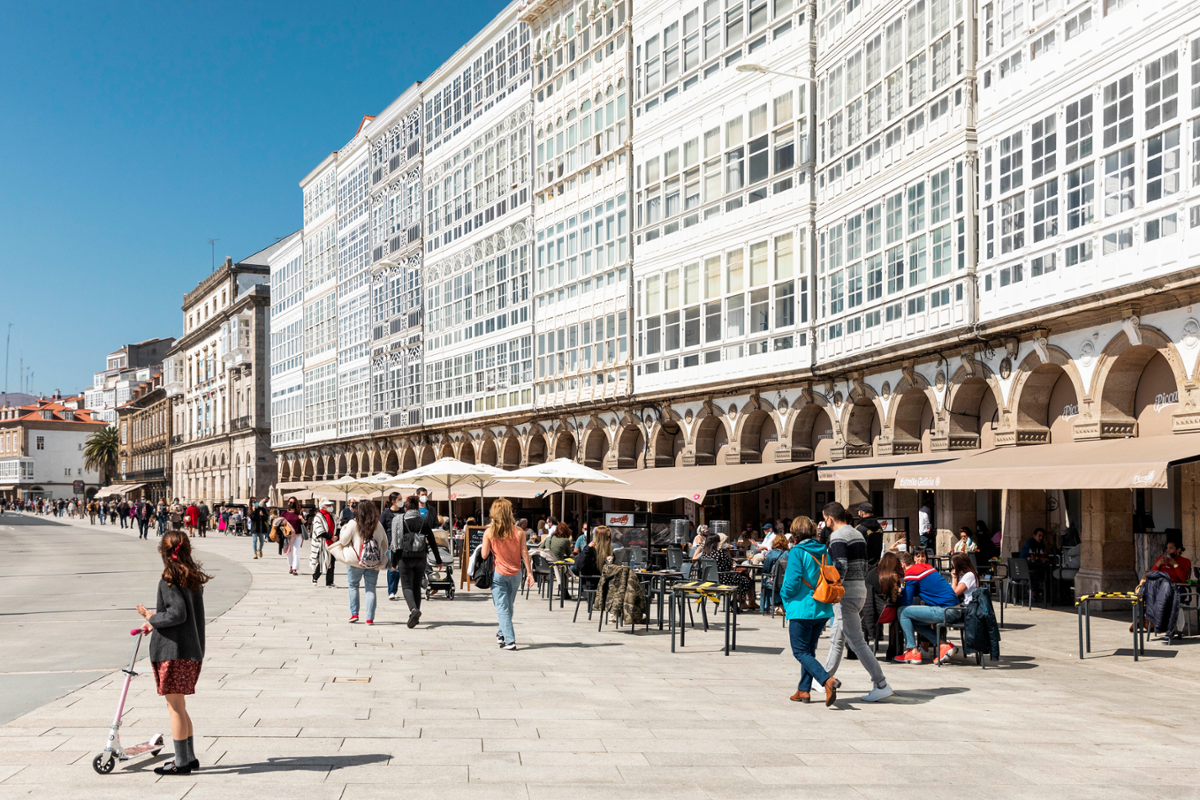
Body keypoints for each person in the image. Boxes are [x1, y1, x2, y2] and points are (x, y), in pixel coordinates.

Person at [134, 530, 211, 776]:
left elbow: (177, 614)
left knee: (175, 707)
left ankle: (181, 763)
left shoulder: (169, 579)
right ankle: (189, 757)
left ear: (164, 554)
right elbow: (180, 616)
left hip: (173, 652)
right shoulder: (192, 578)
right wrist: (153, 624)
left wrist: (150, 616)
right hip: (190, 650)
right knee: (180, 705)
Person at [819, 502, 894, 702]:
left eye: (825, 518)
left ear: (830, 518)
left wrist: (833, 588)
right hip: (859, 589)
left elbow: (841, 566)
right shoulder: (857, 534)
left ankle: (881, 683)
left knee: (857, 642)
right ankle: (822, 679)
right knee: (838, 638)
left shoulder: (837, 536)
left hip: (846, 593)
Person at [780, 516, 837, 706]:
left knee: (800, 651)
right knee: (809, 650)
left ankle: (826, 680)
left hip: (802, 607)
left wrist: (784, 596)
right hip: (822, 606)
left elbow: (792, 582)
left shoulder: (797, 551)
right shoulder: (823, 550)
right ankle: (803, 690)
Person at [480, 498, 534, 650]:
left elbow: (484, 555)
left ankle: (510, 641)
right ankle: (501, 633)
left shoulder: (489, 532)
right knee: (508, 606)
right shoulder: (519, 532)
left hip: (498, 573)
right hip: (516, 573)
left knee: (503, 608)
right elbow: (525, 553)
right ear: (509, 512)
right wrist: (529, 573)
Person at [895, 548, 962, 664]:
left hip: (945, 610)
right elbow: (921, 588)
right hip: (955, 608)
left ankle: (913, 652)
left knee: (902, 611)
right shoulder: (926, 567)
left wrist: (895, 596)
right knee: (912, 622)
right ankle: (944, 645)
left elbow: (907, 601)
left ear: (902, 564)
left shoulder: (910, 573)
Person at [329, 499, 388, 625]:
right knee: (371, 589)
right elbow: (385, 544)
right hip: (373, 561)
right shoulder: (378, 524)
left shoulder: (353, 523)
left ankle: (354, 613)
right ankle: (369, 618)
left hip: (355, 561)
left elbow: (344, 541)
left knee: (353, 586)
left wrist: (344, 528)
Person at [390, 495, 445, 628]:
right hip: (421, 557)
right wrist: (438, 560)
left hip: (405, 557)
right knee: (416, 586)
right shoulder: (423, 521)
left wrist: (393, 562)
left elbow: (395, 543)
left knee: (406, 586)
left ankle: (414, 610)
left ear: (406, 508)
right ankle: (416, 617)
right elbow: (432, 541)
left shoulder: (400, 521)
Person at [698, 531, 757, 610]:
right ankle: (735, 601)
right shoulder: (719, 553)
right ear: (716, 543)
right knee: (746, 580)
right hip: (723, 579)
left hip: (709, 580)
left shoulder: (704, 554)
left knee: (742, 578)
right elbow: (730, 565)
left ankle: (741, 603)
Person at [310, 498, 337, 586]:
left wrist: (336, 536)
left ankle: (329, 582)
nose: (330, 507)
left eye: (331, 505)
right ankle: (315, 576)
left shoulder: (332, 516)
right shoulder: (319, 516)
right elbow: (319, 531)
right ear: (323, 507)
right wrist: (330, 537)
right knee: (323, 561)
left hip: (332, 542)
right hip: (323, 542)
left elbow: (337, 527)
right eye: (328, 506)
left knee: (331, 562)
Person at [761, 532, 791, 614]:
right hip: (786, 580)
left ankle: (766, 607)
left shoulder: (772, 553)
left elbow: (766, 569)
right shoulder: (789, 553)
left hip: (773, 581)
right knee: (779, 582)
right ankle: (780, 604)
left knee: (766, 580)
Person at [381, 493, 402, 601]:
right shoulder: (386, 513)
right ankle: (391, 591)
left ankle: (394, 590)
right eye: (399, 499)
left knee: (398, 569)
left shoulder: (403, 512)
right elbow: (381, 528)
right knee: (391, 568)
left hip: (401, 544)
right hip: (390, 545)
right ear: (393, 501)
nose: (401, 501)